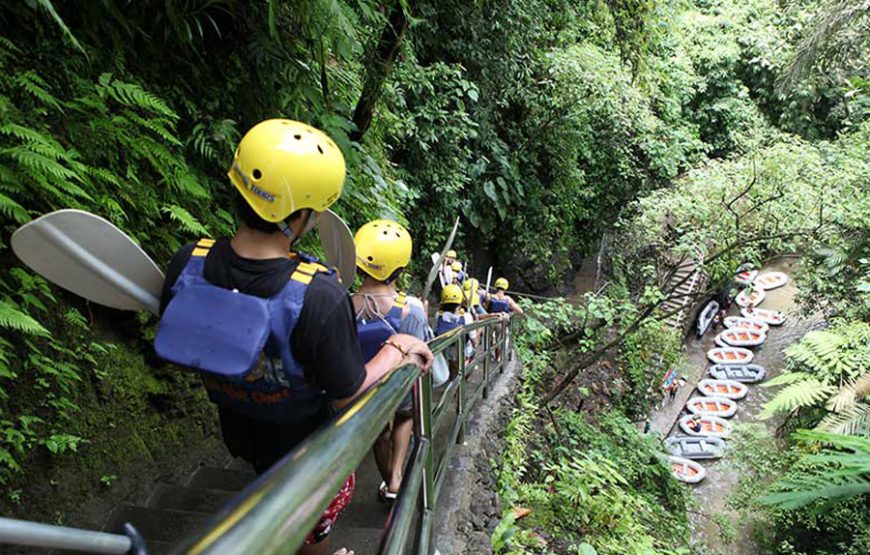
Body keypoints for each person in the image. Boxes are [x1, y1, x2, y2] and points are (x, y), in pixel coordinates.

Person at [155, 119, 432, 555]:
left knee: (272, 492)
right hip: (306, 449)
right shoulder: (318, 294)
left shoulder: (188, 262)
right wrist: (397, 350)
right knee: (306, 520)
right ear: (302, 215)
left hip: (240, 428)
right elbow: (347, 396)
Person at [351, 219, 429, 505]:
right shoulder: (412, 309)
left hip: (364, 387)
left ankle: (388, 479)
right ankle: (397, 476)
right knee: (405, 416)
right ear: (400, 267)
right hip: (399, 386)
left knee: (378, 431)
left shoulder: (342, 305)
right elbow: (419, 355)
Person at [435, 284, 476, 375]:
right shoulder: (466, 316)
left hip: (446, 349)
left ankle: (453, 378)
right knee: (469, 361)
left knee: (453, 368)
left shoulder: (438, 315)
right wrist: (475, 346)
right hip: (463, 350)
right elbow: (473, 339)